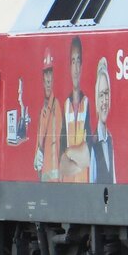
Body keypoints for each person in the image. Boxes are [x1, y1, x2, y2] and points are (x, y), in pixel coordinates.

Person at [59, 35, 92, 182]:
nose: (76, 67)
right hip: (67, 189)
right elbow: (62, 164)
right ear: (69, 67)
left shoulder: (88, 104)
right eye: (73, 61)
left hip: (86, 185)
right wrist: (79, 158)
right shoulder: (65, 107)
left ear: (83, 65)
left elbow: (87, 156)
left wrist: (69, 152)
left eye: (79, 61)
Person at [34, 48, 62, 181]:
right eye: (46, 73)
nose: (48, 79)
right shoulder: (43, 112)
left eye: (51, 73)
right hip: (44, 179)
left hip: (54, 181)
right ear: (42, 77)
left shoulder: (56, 107)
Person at [89, 57, 115, 183]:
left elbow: (114, 180)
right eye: (101, 95)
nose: (104, 101)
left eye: (106, 93)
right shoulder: (93, 143)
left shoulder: (110, 139)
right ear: (96, 101)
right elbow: (91, 186)